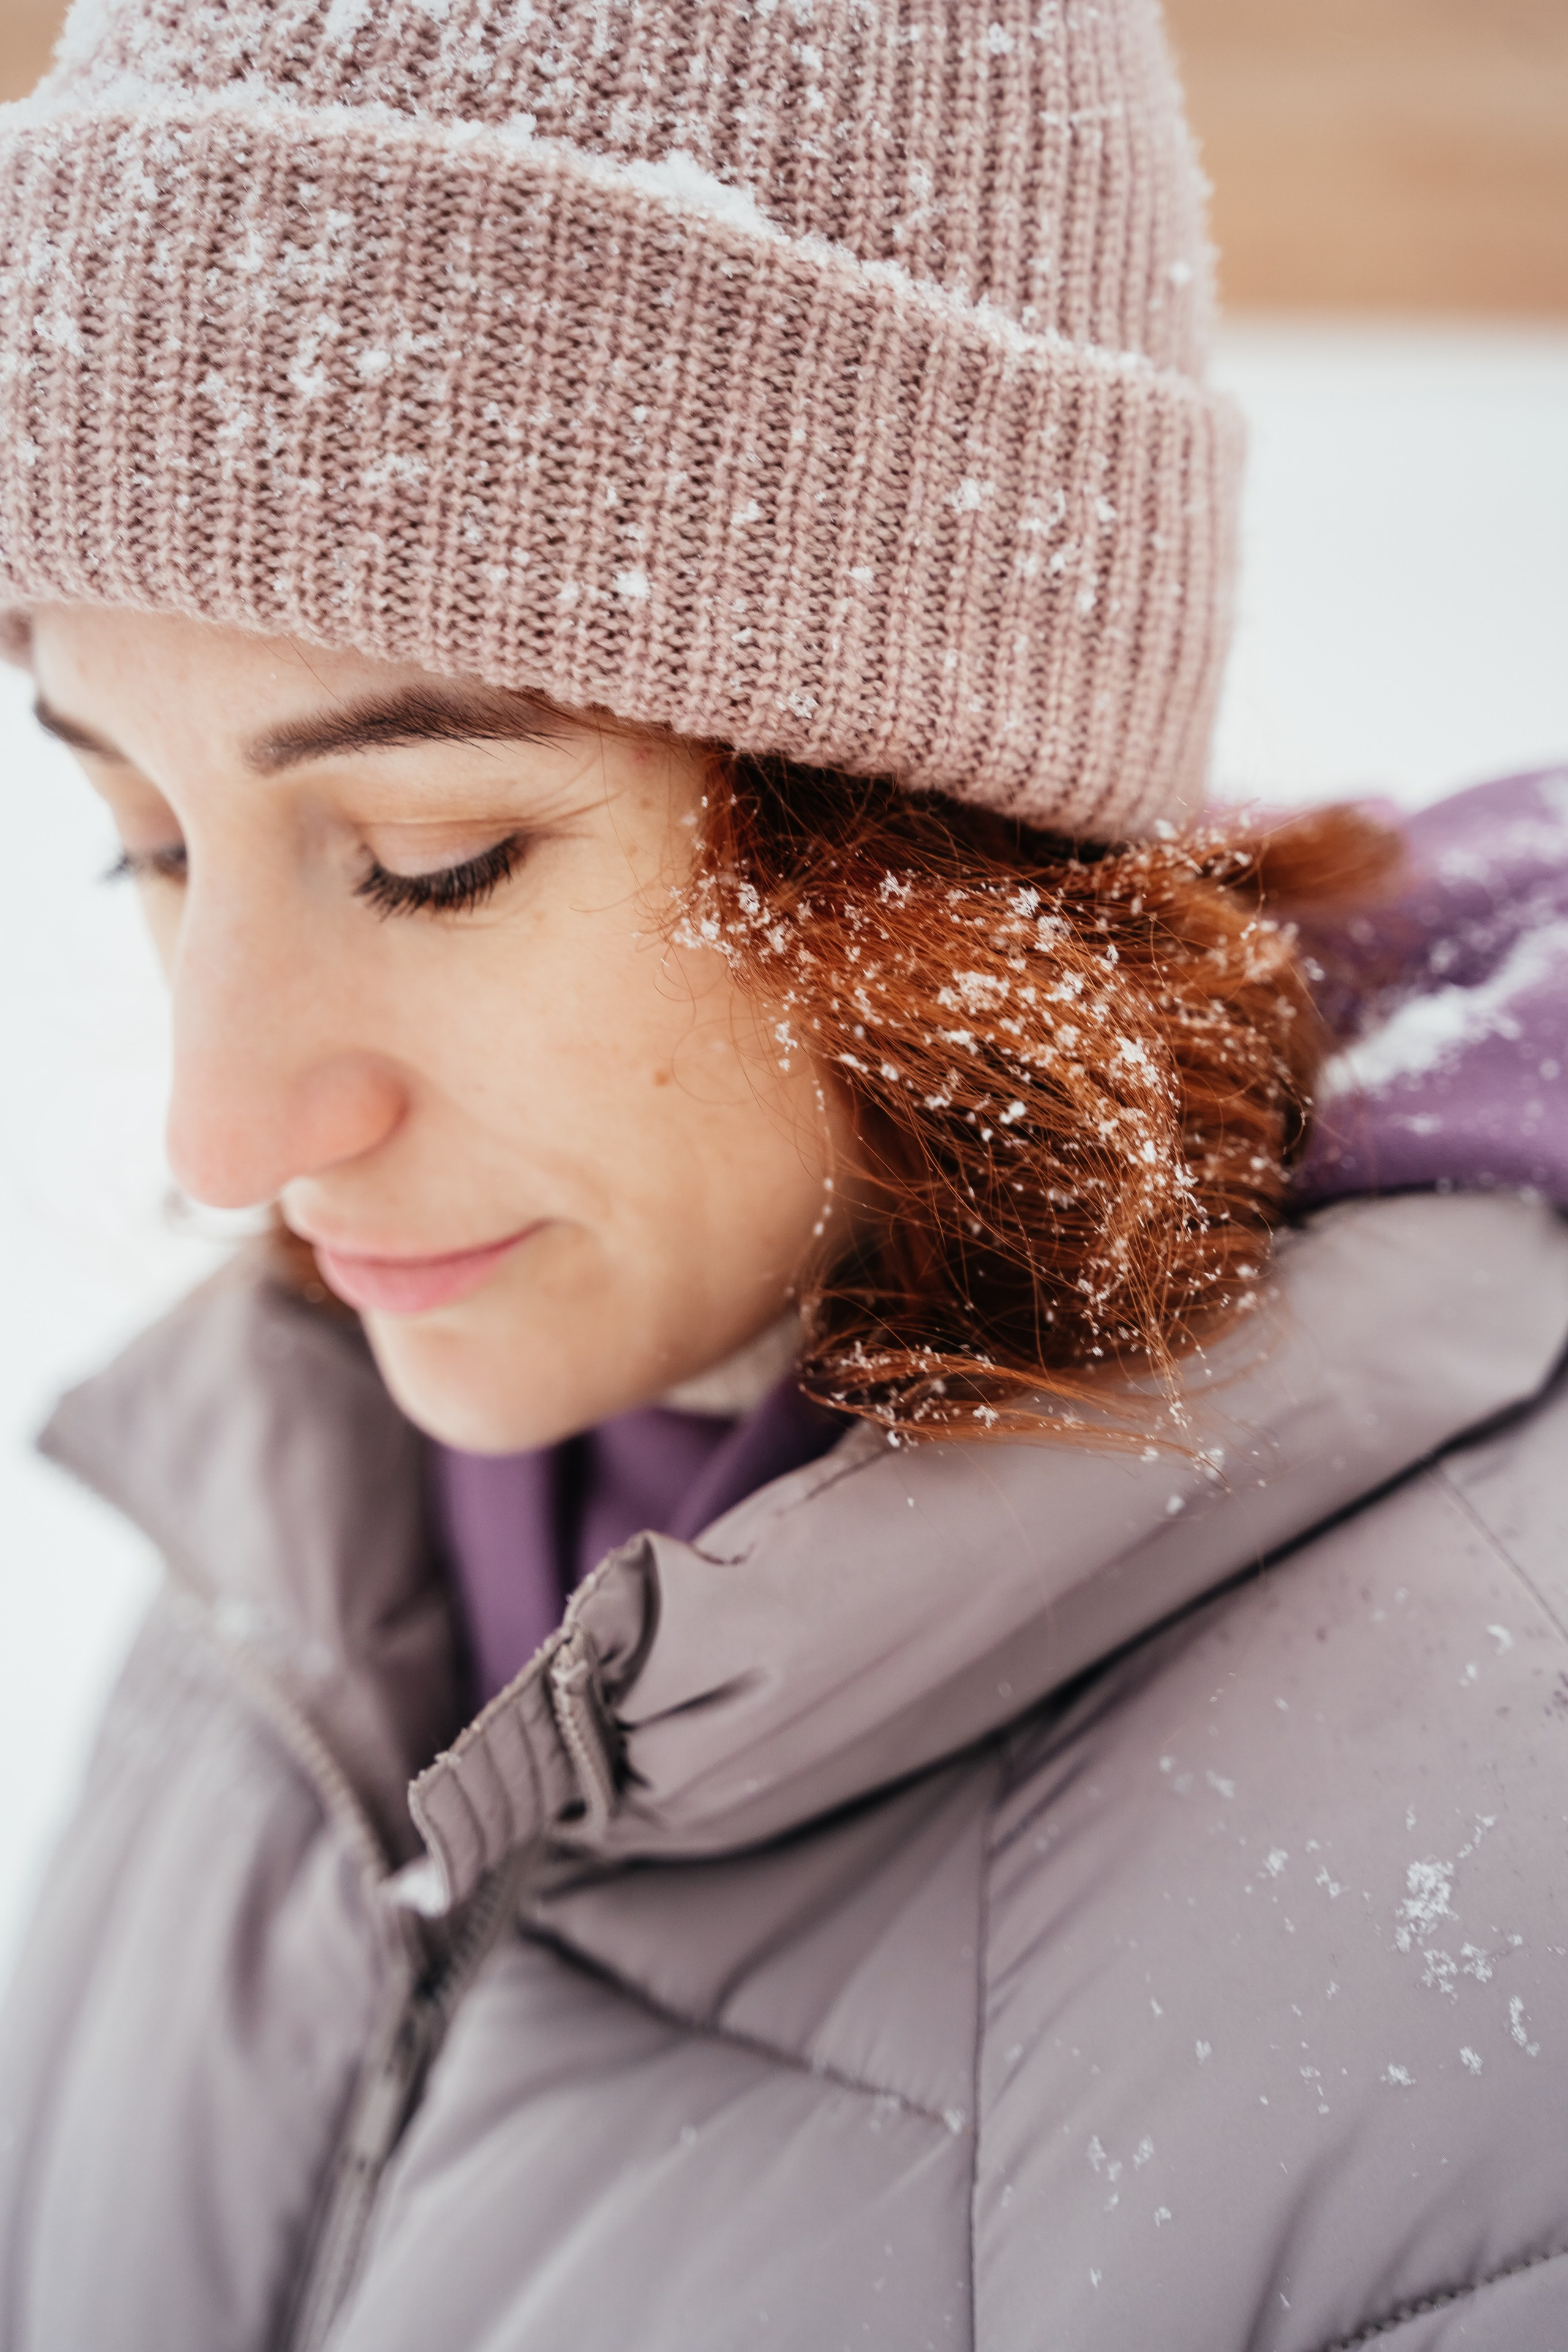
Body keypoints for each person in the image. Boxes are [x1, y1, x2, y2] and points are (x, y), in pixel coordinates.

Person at [1, 2, 1566, 2348]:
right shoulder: (307, 1536)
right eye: (144, 839)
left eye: (436, 857)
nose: (221, 1141)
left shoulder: (1480, 1890)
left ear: (932, 843)